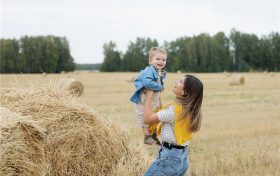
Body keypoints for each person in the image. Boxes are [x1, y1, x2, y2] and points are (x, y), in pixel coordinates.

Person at [143, 75, 203, 176]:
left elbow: (147, 119)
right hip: (181, 158)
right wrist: (158, 95)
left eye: (180, 82)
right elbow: (162, 112)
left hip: (169, 159)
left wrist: (149, 95)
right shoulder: (188, 110)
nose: (176, 81)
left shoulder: (174, 112)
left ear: (184, 92)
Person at [130, 47, 167, 145]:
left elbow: (161, 83)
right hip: (145, 98)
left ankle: (154, 135)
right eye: (158, 59)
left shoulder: (159, 72)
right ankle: (147, 137)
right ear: (150, 61)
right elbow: (147, 83)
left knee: (154, 116)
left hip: (154, 98)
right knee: (144, 117)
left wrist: (161, 87)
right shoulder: (148, 71)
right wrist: (159, 87)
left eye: (163, 60)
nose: (161, 61)